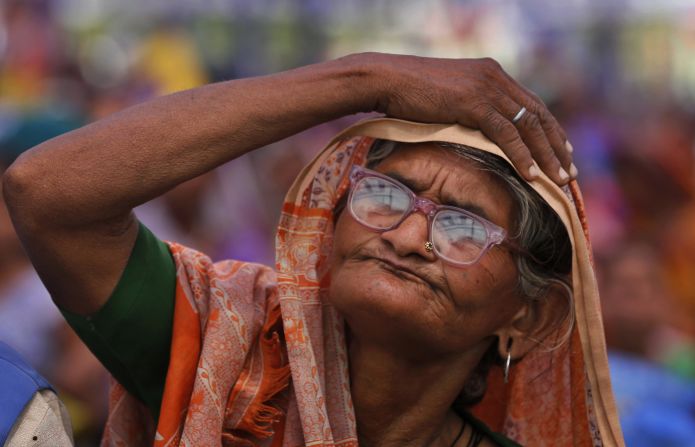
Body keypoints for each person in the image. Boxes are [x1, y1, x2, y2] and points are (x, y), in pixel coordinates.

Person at [3, 53, 624, 446]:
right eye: (384, 196)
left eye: (463, 227)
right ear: (327, 227)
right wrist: (366, 78)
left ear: (531, 315)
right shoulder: (223, 354)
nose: (407, 237)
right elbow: (47, 193)